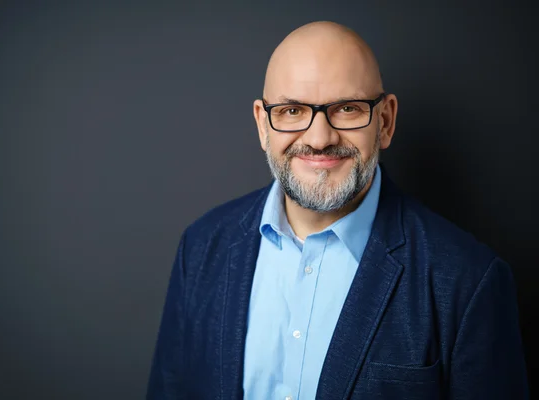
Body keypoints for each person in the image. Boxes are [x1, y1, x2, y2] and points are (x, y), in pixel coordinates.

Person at [146, 21, 528, 399]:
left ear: (386, 121)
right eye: (292, 111)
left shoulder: (468, 281)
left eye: (347, 108)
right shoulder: (199, 249)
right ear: (263, 125)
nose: (319, 138)